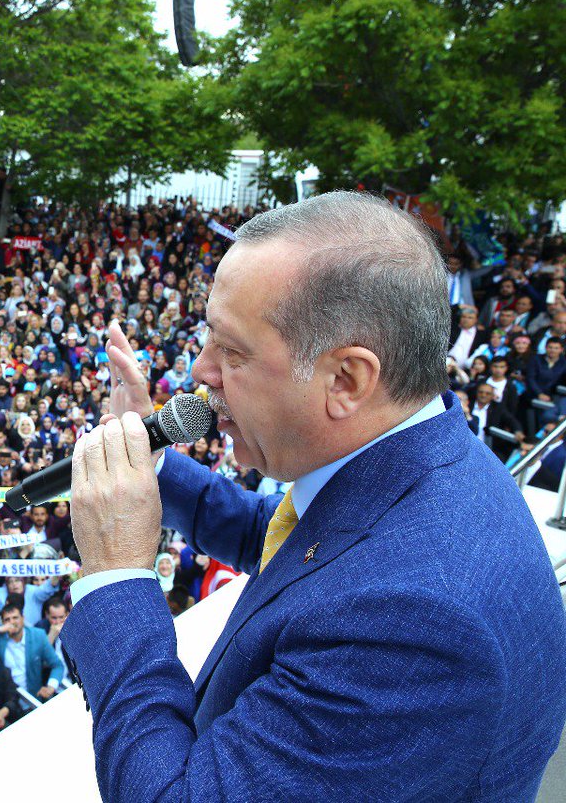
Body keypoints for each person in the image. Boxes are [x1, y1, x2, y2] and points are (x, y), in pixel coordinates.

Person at [60, 192, 566, 800]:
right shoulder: (426, 455)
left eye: (233, 351)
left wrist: (118, 580)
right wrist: (152, 468)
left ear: (346, 380)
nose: (200, 372)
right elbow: (291, 546)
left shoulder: (410, 623)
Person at [0, 603, 63, 704]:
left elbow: (57, 665)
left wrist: (50, 687)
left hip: (34, 698)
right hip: (8, 700)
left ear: (23, 618)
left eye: (15, 618)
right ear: (2, 622)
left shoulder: (37, 635)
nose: (12, 622)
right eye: (7, 619)